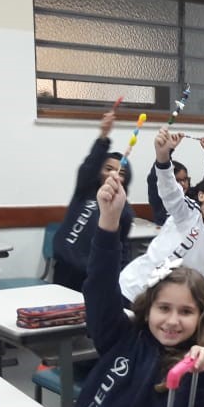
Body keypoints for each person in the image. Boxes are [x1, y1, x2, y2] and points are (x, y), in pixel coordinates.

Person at [71, 172, 204, 407]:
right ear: (148, 308)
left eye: (186, 312)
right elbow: (99, 287)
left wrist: (197, 373)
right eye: (164, 308)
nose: (172, 321)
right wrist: (109, 222)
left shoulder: (197, 364)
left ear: (201, 317)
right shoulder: (123, 337)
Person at [119, 128, 204, 310]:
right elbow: (170, 190)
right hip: (133, 291)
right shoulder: (187, 213)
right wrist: (163, 157)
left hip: (168, 304)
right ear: (201, 195)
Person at [53, 111, 134, 292]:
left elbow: (120, 247)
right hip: (65, 269)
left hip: (93, 275)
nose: (113, 173)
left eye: (121, 172)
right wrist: (103, 137)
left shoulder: (124, 210)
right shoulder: (85, 191)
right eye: (108, 168)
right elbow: (90, 165)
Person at [148, 136, 204, 226]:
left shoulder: (193, 196)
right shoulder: (160, 198)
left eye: (185, 179)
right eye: (178, 181)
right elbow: (157, 174)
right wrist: (168, 150)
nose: (183, 184)